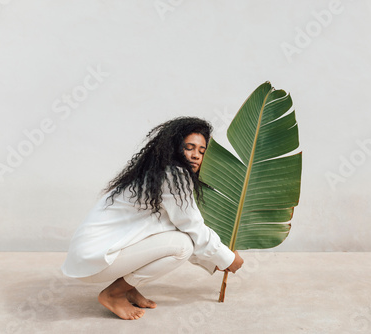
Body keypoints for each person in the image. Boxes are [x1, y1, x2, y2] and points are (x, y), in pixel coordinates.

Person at [61, 117, 244, 320]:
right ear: (175, 147)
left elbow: (178, 229)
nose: (196, 156)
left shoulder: (158, 174)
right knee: (182, 246)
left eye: (201, 151)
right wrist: (226, 258)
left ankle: (129, 288)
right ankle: (113, 294)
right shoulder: (173, 175)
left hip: (92, 256)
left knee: (180, 239)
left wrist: (215, 259)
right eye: (190, 147)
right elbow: (192, 228)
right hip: (96, 260)